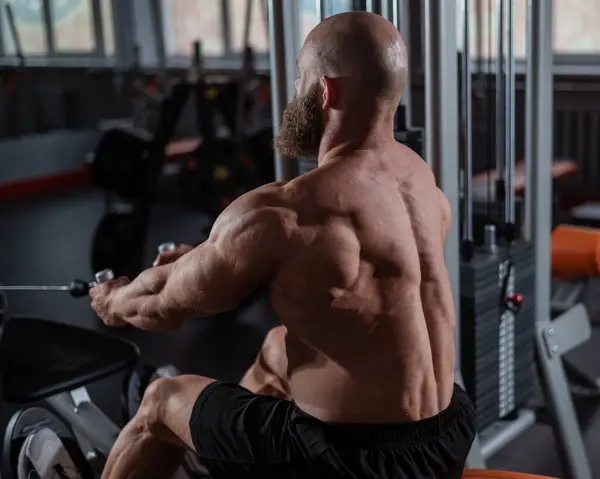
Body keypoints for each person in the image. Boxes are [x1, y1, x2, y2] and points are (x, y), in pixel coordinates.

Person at [90, 11, 476, 479]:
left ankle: (190, 447)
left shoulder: (287, 211)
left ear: (325, 91)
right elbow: (359, 282)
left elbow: (161, 305)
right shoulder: (422, 186)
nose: (296, 90)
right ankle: (217, 459)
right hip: (449, 433)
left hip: (347, 462)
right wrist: (209, 260)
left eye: (300, 77)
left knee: (160, 401)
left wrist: (111, 301)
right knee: (277, 347)